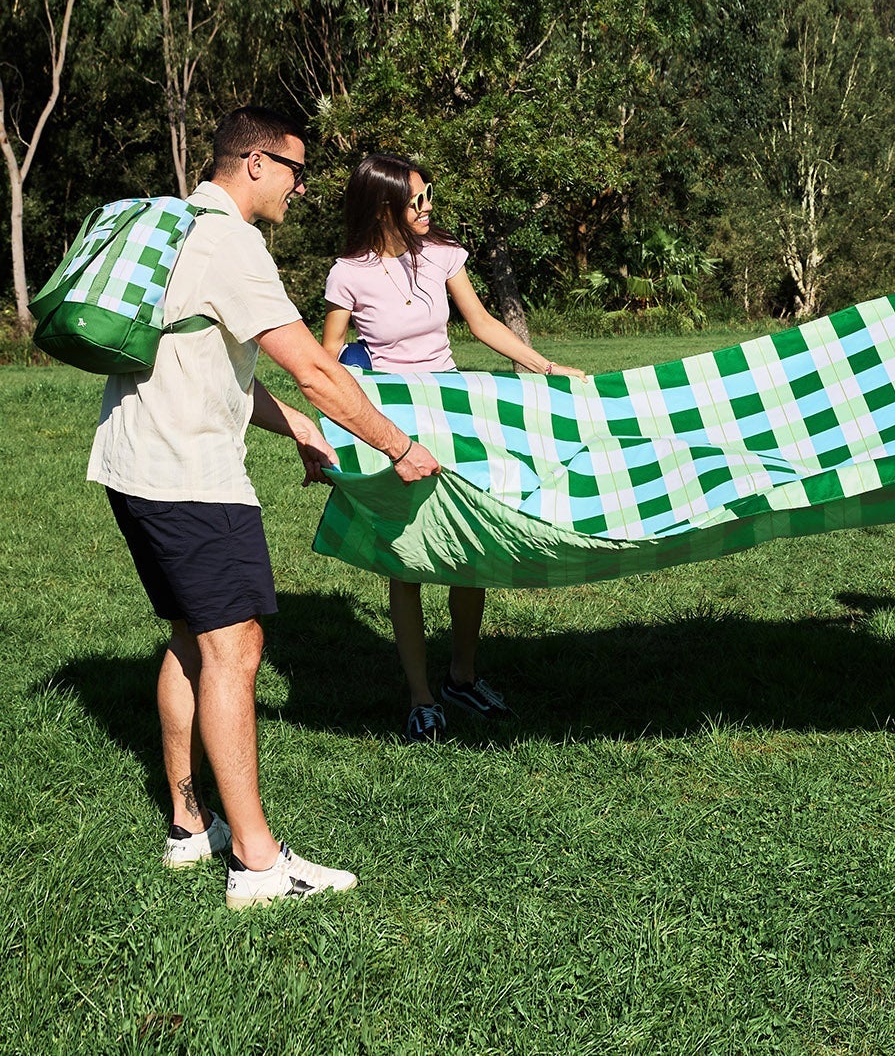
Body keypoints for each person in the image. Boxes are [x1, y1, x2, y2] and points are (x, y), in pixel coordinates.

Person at [89, 107, 441, 909]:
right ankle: (257, 863)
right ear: (254, 162)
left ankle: (189, 825)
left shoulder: (174, 227)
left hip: (132, 464)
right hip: (190, 476)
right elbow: (314, 367)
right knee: (236, 648)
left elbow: (212, 365)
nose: (301, 186)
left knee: (192, 635)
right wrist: (397, 445)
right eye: (294, 169)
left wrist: (300, 431)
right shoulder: (231, 244)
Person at [321, 154, 585, 744]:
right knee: (408, 560)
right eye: (415, 200)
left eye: (428, 194)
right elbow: (328, 357)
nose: (427, 207)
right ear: (383, 207)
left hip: (452, 408)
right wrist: (328, 430)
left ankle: (462, 677)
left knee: (471, 547)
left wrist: (545, 368)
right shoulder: (348, 274)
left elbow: (483, 324)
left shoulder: (442, 252)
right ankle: (421, 698)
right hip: (393, 422)